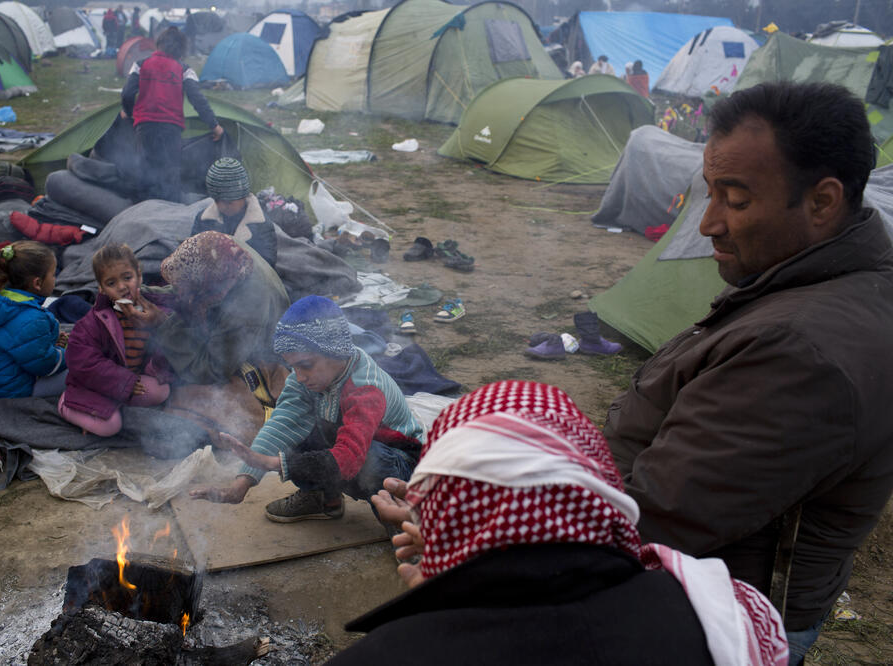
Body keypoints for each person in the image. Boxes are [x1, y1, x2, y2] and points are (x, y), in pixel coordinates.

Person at [602, 82, 893, 664]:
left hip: (718, 615)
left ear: (823, 201)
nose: (709, 224)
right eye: (707, 194)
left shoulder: (801, 350)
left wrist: (488, 536)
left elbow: (658, 517)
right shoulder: (821, 282)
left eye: (734, 200)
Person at [336, 381, 788, 666]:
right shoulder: (726, 613)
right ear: (600, 483)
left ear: (439, 505)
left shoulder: (389, 655)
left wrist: (437, 608)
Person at [190, 295, 423, 523]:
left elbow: (350, 459)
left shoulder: (366, 388)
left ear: (335, 351)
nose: (299, 377)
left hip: (402, 464)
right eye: (293, 367)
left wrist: (275, 463)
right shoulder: (309, 378)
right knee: (298, 428)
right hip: (350, 449)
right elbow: (282, 425)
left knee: (371, 460)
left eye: (306, 365)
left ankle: (405, 522)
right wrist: (241, 484)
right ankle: (322, 498)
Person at [58, 244, 175, 437]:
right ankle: (67, 405)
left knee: (161, 390)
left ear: (139, 274)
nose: (122, 287)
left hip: (126, 383)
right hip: (94, 385)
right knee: (110, 427)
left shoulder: (153, 311)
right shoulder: (94, 322)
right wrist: (123, 382)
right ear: (101, 289)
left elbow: (167, 351)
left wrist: (160, 325)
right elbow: (83, 363)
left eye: (127, 278)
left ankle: (111, 406)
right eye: (111, 283)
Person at [147, 231, 289, 385]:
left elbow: (214, 370)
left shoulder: (245, 309)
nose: (181, 291)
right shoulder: (219, 249)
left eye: (186, 287)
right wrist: (145, 292)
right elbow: (186, 281)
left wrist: (161, 323)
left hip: (265, 349)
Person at [121, 27, 224, 203]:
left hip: (144, 127)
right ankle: (169, 212)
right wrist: (214, 125)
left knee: (145, 172)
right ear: (181, 50)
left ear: (158, 44)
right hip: (171, 129)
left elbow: (127, 93)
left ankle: (141, 213)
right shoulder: (183, 69)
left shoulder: (140, 64)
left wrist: (128, 112)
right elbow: (196, 98)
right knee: (169, 174)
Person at [0, 241, 66, 399]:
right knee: (85, 369)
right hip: (20, 392)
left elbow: (19, 343)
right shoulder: (30, 317)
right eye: (53, 274)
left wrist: (52, 341)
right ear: (37, 283)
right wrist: (66, 354)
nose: (55, 279)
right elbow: (45, 365)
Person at [193, 158, 277, 267]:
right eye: (217, 201)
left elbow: (268, 266)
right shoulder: (203, 220)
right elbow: (194, 254)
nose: (222, 207)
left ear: (243, 196)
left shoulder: (262, 226)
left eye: (228, 202)